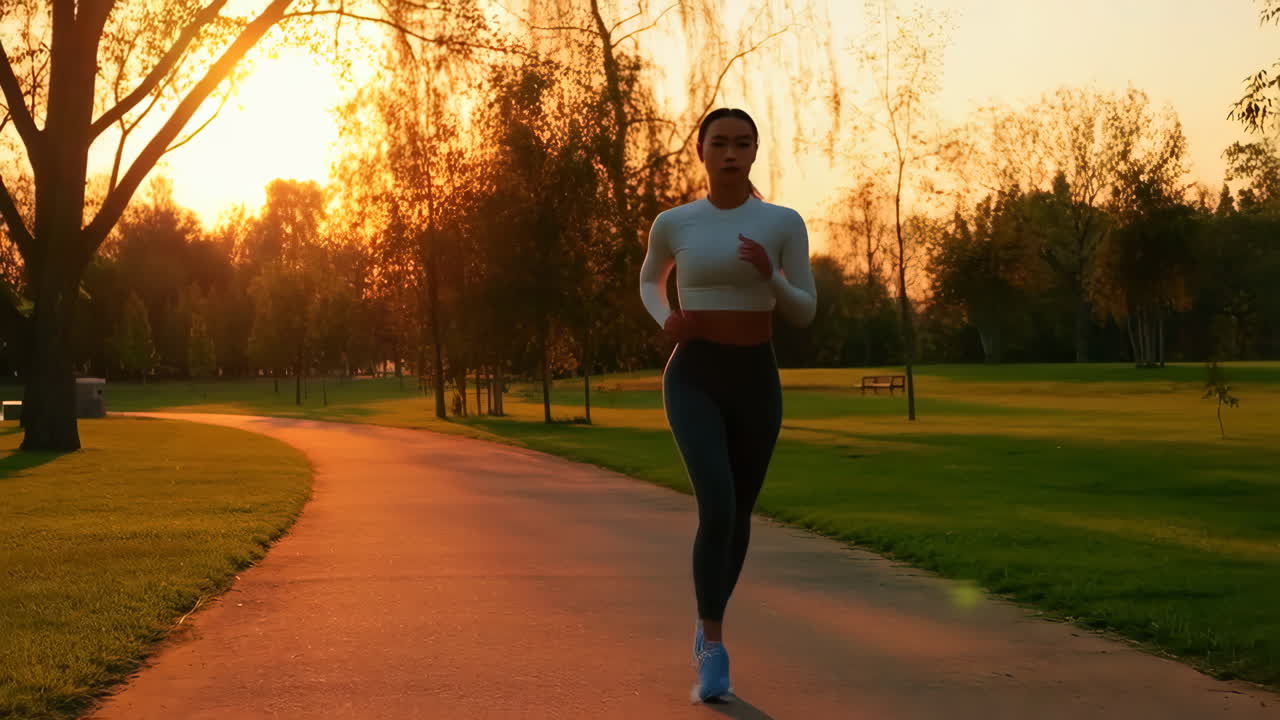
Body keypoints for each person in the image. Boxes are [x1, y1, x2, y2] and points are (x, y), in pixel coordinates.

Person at [638, 107, 817, 702]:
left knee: (739, 514)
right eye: (720, 143)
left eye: (743, 143)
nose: (731, 153)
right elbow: (649, 279)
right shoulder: (674, 222)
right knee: (716, 505)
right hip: (693, 375)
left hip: (755, 378)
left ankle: (707, 620)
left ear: (755, 151)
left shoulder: (782, 222)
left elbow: (804, 310)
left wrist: (771, 276)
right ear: (702, 152)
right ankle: (712, 648)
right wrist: (669, 319)